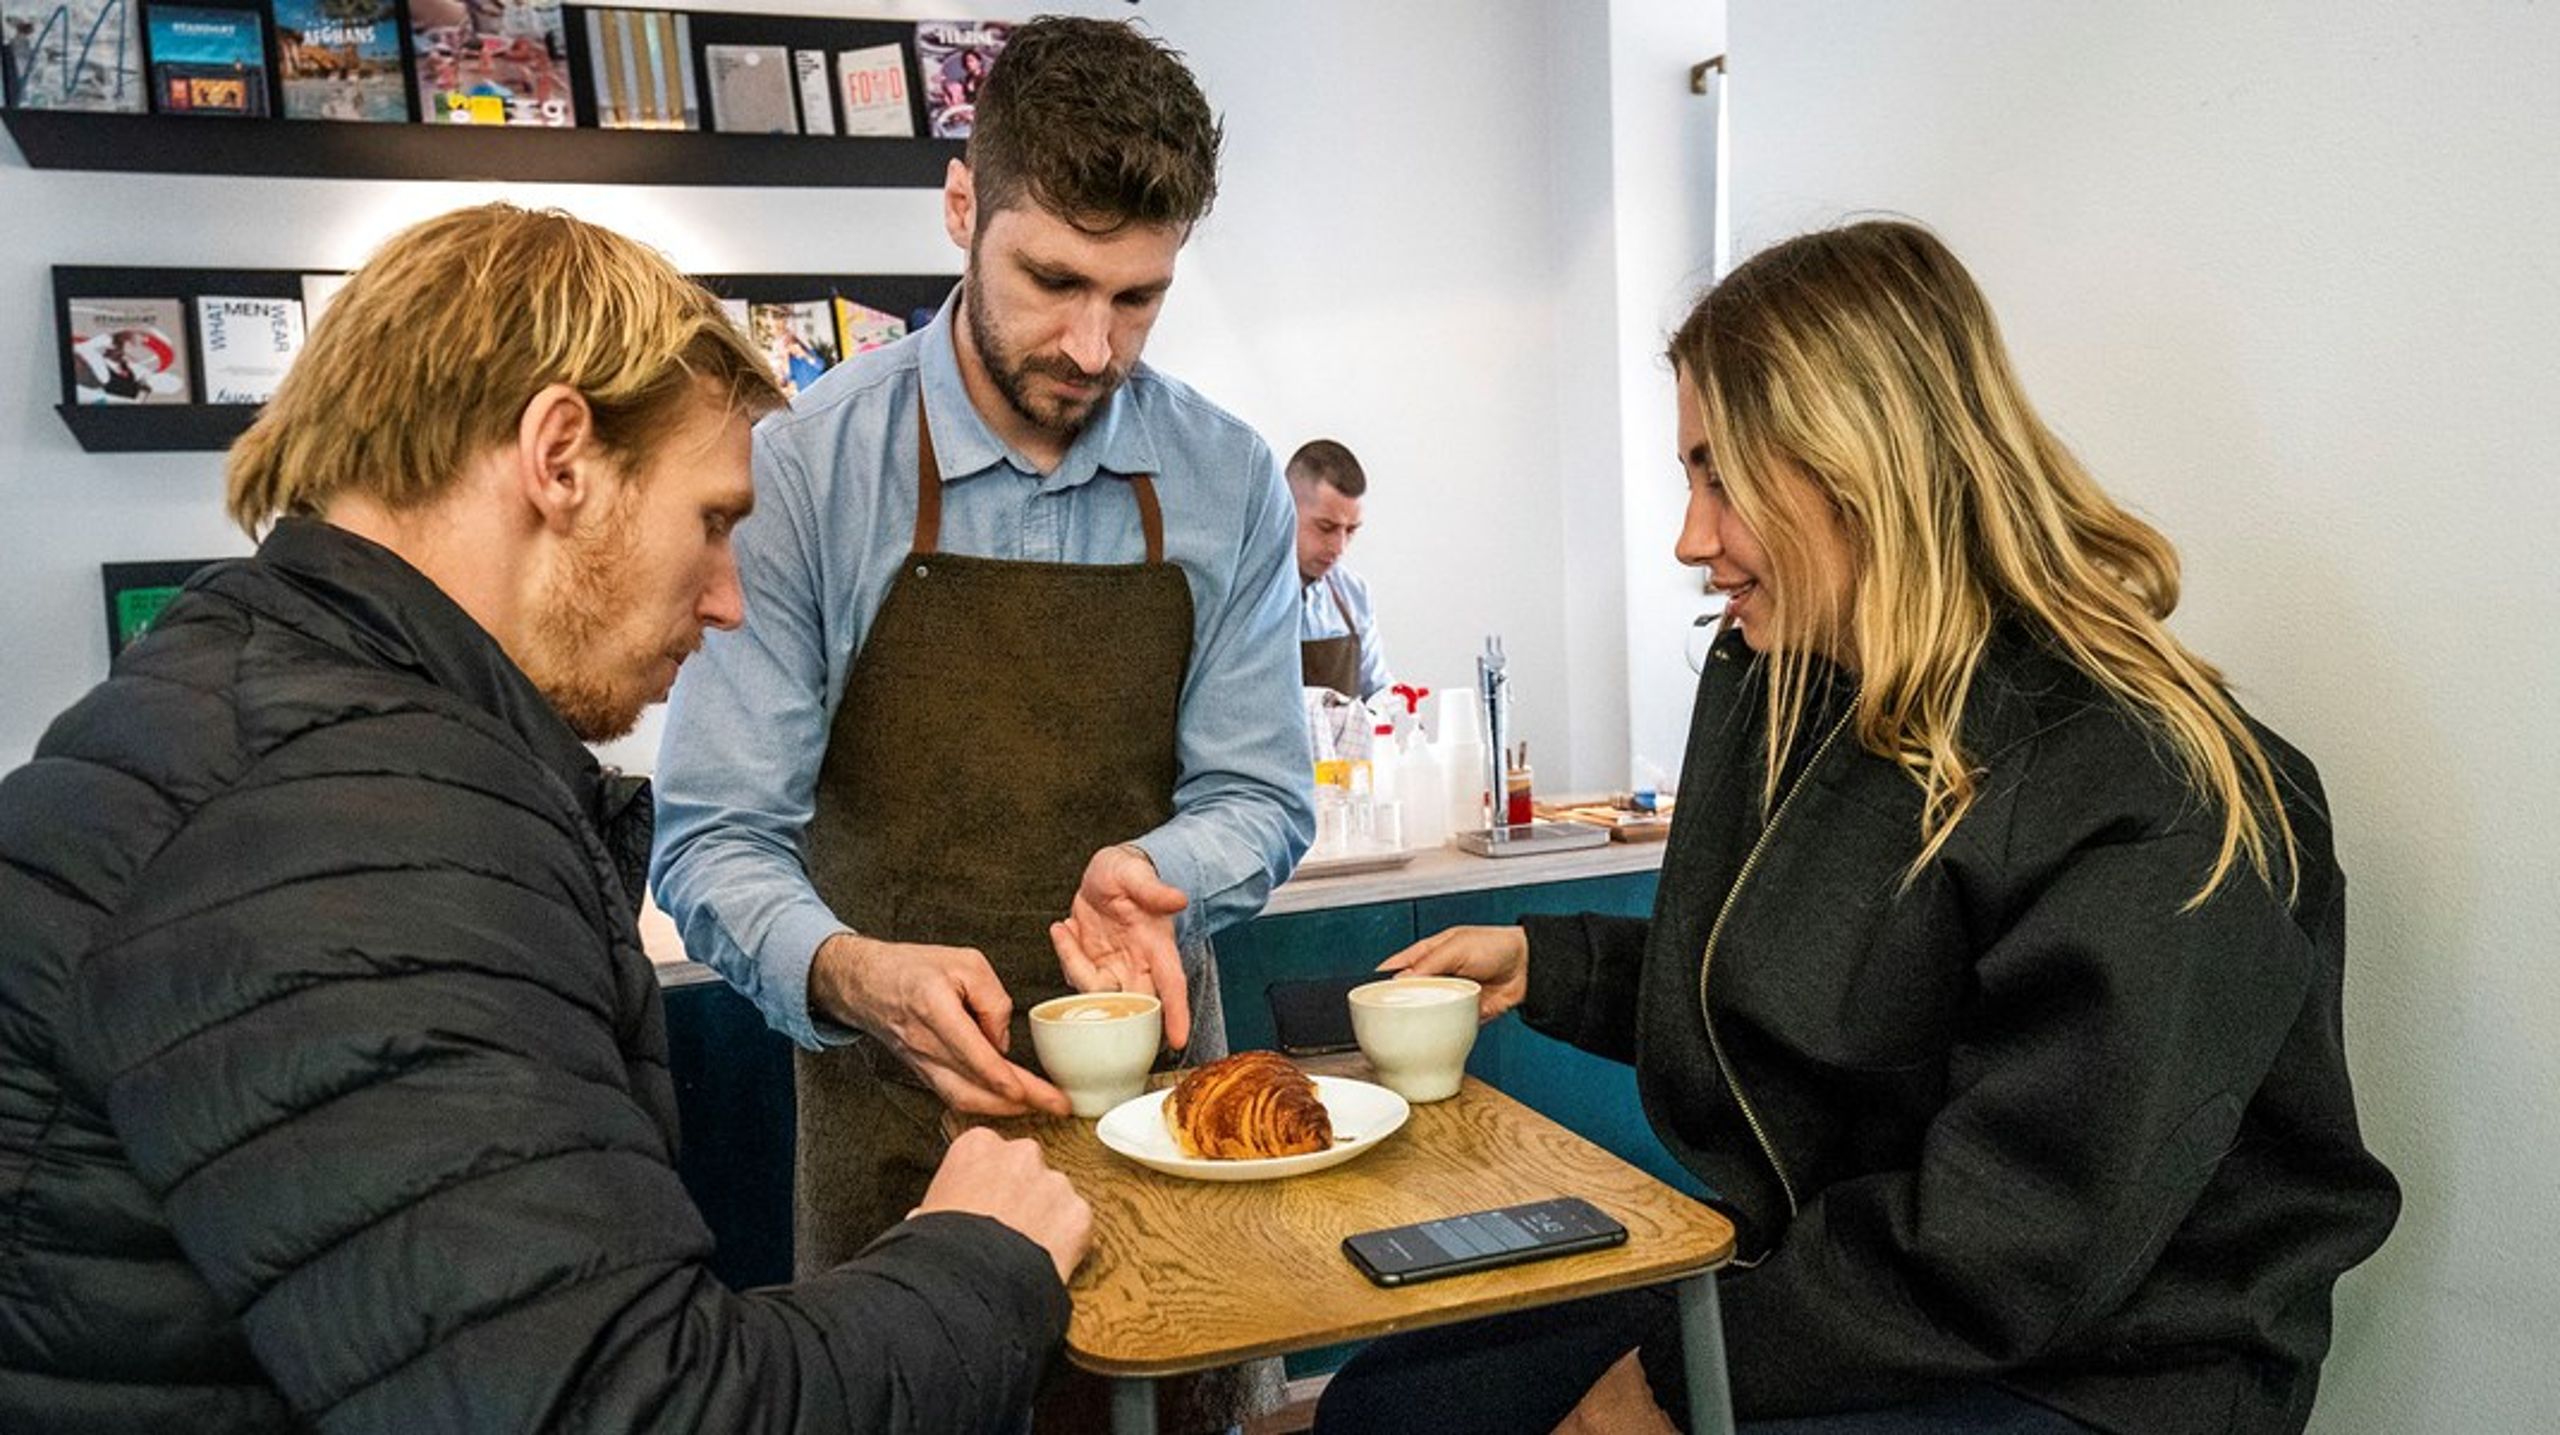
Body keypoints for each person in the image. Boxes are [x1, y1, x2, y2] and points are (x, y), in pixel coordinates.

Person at [0, 202, 1091, 1434]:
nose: (729, 598)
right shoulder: (351, 830)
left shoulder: (253, 713)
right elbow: (626, 1405)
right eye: (715, 521)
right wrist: (975, 1257)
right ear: (561, 455)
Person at [1314, 220, 2400, 1435]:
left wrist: (1667, 1389)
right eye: (1689, 475)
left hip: (2096, 1373)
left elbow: (2014, 1240)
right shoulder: (1807, 698)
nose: (1689, 539)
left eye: (1722, 475)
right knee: (1394, 1404)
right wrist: (1553, 962)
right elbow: (1803, 996)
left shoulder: (2156, 793)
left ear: (1862, 461)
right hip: (1861, 1290)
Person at [649, 16, 1311, 1430]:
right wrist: (841, 968)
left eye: (1138, 298)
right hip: (899, 1144)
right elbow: (713, 838)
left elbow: (1261, 792)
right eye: (1054, 280)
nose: (1093, 345)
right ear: (964, 206)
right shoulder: (809, 472)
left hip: (1168, 1134)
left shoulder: (1226, 475)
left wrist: (1170, 869)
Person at [1289, 437, 1396, 702]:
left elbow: (1378, 690)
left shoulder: (1353, 594)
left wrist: (1394, 706)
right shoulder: (1250, 591)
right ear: (1286, 510)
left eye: (1351, 531)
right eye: (1326, 527)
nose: (1339, 547)